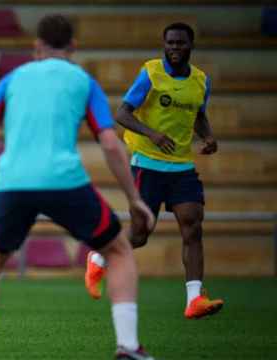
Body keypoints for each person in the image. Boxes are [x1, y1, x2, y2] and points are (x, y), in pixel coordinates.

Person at [0, 14, 156, 360]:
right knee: (118, 251)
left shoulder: (14, 79)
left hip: (15, 184)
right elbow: (109, 143)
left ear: (37, 47)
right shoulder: (84, 81)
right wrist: (134, 198)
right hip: (66, 183)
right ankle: (128, 346)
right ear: (73, 46)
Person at [84, 22, 224, 320]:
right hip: (147, 163)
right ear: (164, 44)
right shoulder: (151, 72)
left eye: (180, 43)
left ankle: (195, 298)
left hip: (182, 165)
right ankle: (97, 258)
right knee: (140, 233)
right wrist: (153, 134)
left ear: (191, 46)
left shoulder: (201, 81)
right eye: (170, 43)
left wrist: (207, 136)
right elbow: (122, 113)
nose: (174, 48)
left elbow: (198, 115)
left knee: (193, 225)